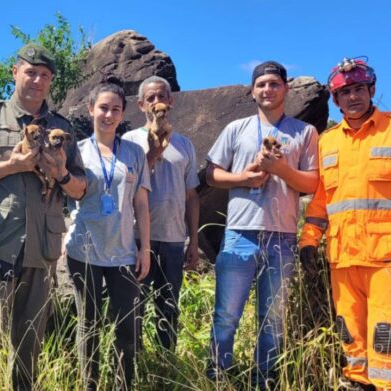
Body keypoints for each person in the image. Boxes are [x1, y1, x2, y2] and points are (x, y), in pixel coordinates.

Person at [0, 43, 87, 390]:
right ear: (15, 73)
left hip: (41, 250)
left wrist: (60, 175)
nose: (37, 80)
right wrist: (9, 166)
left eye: (45, 75)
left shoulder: (61, 127)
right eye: (30, 72)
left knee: (30, 344)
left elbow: (81, 189)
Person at [299, 57, 391, 391]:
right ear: (335, 100)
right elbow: (321, 201)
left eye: (359, 89)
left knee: (386, 341)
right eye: (344, 92)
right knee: (352, 342)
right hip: (343, 260)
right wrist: (308, 240)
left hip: (390, 259)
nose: (353, 97)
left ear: (371, 89)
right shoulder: (328, 141)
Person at [204, 61, 319, 388]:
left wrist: (281, 170)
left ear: (286, 88)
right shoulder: (235, 129)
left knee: (273, 322)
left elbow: (312, 184)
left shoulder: (305, 132)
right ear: (252, 91)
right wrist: (245, 178)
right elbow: (211, 174)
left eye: (274, 84)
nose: (267, 90)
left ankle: (263, 381)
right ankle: (218, 378)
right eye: (261, 84)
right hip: (239, 234)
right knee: (226, 316)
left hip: (282, 237)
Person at [64, 75, 151, 391]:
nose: (109, 115)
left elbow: (141, 202)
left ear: (123, 113)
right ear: (90, 109)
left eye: (116, 109)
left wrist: (145, 249)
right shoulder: (78, 151)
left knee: (127, 327)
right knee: (88, 325)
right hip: (83, 251)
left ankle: (121, 385)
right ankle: (88, 384)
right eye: (103, 108)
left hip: (124, 252)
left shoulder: (134, 153)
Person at [122, 75, 200, 352]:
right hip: (136, 239)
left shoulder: (185, 145)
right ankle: (135, 364)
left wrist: (194, 241)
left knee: (168, 306)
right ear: (141, 104)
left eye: (162, 96)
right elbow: (124, 186)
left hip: (174, 239)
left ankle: (166, 364)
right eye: (151, 98)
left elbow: (192, 196)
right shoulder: (129, 141)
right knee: (135, 307)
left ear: (171, 101)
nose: (157, 102)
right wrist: (153, 153)